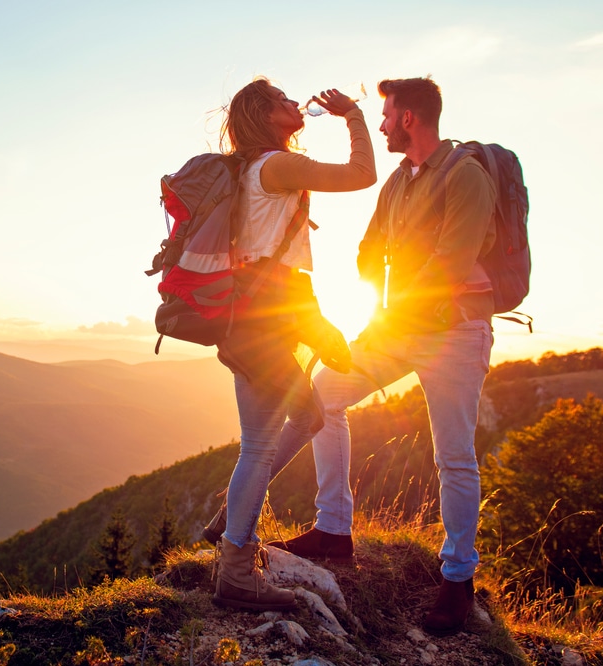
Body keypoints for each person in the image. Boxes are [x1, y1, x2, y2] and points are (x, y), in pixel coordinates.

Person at [266, 76, 498, 636]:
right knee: (323, 396)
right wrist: (380, 302)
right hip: (398, 329)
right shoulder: (399, 180)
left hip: (456, 333)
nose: (384, 124)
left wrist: (398, 312)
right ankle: (334, 528)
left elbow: (449, 263)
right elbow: (370, 248)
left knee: (455, 457)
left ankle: (457, 578)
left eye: (388, 116)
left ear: (410, 119)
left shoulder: (466, 175)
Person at [210, 77, 376, 612]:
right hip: (261, 321)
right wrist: (352, 115)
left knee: (300, 419)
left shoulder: (247, 170)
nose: (293, 101)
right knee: (262, 442)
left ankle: (229, 528)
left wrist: (315, 324)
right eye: (281, 98)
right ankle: (234, 568)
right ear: (264, 114)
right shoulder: (275, 166)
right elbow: (362, 175)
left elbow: (272, 264)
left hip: (251, 316)